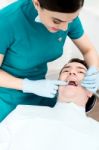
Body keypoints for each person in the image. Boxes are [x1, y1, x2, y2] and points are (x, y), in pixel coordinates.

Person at [0, 0, 99, 122]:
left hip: (41, 91)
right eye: (56, 21)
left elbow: (88, 50)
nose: (65, 28)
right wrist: (28, 85)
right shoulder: (6, 22)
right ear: (36, 4)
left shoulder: (66, 14)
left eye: (72, 20)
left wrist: (94, 70)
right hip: (4, 95)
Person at [0, 58, 99, 150]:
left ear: (90, 91)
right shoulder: (23, 112)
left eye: (81, 71)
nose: (71, 72)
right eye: (66, 70)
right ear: (57, 84)